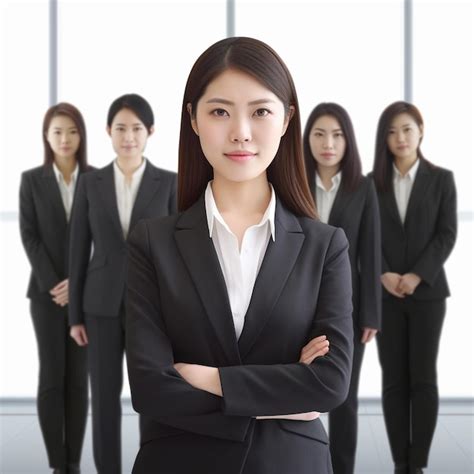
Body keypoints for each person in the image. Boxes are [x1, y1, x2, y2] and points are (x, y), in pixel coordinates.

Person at [125, 36, 354, 474]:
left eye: (261, 111)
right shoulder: (151, 243)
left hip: (291, 464)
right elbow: (151, 388)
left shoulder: (325, 246)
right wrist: (286, 397)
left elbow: (329, 384)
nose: (241, 132)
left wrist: (207, 378)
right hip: (177, 463)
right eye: (219, 112)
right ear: (192, 119)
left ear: (287, 119)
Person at [68, 93, 177, 474]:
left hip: (152, 308)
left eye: (135, 128)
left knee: (151, 396)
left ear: (150, 132)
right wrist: (75, 316)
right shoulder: (90, 183)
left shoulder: (169, 183)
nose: (128, 136)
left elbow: (179, 253)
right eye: (120, 128)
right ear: (108, 132)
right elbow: (78, 249)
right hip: (100, 306)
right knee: (104, 398)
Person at [372, 101, 457, 474]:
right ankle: (399, 461)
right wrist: (384, 274)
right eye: (391, 131)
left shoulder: (441, 179)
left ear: (421, 131)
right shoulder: (371, 183)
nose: (400, 138)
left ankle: (418, 462)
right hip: (385, 294)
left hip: (428, 295)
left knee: (423, 377)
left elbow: (446, 234)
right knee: (393, 379)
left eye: (406, 129)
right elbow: (365, 236)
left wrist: (417, 275)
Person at [303, 102, 381, 474]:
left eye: (336, 135)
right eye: (319, 134)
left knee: (344, 396)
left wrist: (371, 313)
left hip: (345, 308)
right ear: (307, 140)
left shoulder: (363, 188)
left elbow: (370, 252)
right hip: (296, 303)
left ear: (348, 141)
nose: (328, 143)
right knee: (298, 391)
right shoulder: (293, 181)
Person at [19, 102, 92, 474]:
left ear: (81, 136)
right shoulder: (32, 180)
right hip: (45, 296)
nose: (65, 139)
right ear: (47, 137)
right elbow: (29, 236)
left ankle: (75, 463)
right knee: (52, 376)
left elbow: (107, 240)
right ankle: (57, 464)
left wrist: (79, 285)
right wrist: (54, 283)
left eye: (72, 131)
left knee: (78, 380)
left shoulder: (97, 178)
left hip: (86, 297)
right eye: (57, 131)